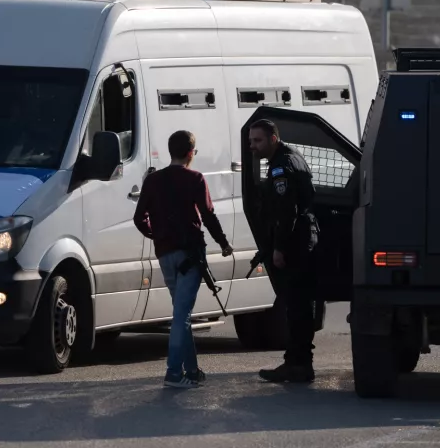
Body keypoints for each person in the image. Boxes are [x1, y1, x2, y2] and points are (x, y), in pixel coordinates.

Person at [133, 130, 233, 388]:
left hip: (165, 253)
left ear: (171, 151)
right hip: (190, 254)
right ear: (190, 153)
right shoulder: (196, 179)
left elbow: (138, 218)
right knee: (182, 315)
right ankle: (173, 373)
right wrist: (223, 243)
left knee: (180, 313)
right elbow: (208, 216)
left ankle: (192, 370)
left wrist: (156, 234)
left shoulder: (153, 181)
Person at [248, 118, 320, 383]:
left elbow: (286, 211)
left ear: (273, 139)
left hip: (295, 244)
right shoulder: (292, 158)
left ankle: (299, 365)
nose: (252, 146)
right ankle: (298, 362)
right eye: (251, 141)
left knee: (297, 306)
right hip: (302, 240)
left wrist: (278, 247)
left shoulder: (281, 167)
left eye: (258, 141)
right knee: (299, 306)